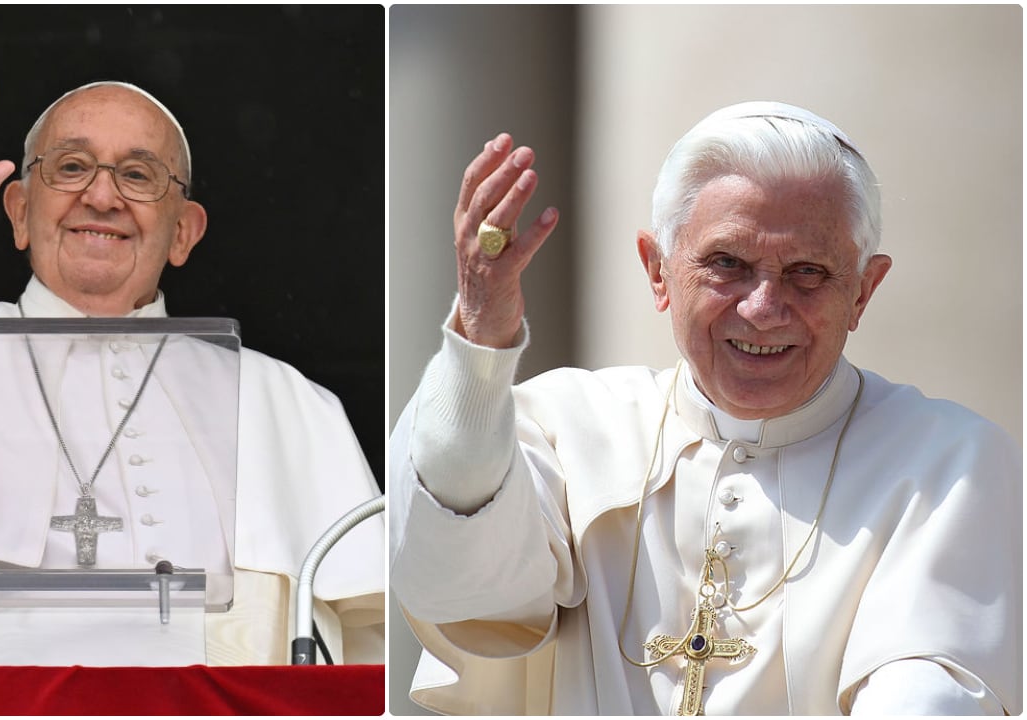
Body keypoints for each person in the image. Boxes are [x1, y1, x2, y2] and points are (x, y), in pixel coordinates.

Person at [388, 102, 1020, 714]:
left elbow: (931, 695)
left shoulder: (952, 468)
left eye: (808, 272)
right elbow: (457, 584)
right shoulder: (562, 426)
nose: (762, 308)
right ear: (658, 271)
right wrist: (480, 340)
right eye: (728, 264)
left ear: (863, 290)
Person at [0, 72, 384, 665]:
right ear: (17, 212)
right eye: (70, 167)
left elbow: (362, 658)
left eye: (139, 175)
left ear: (183, 234)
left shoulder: (283, 400)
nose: (101, 196)